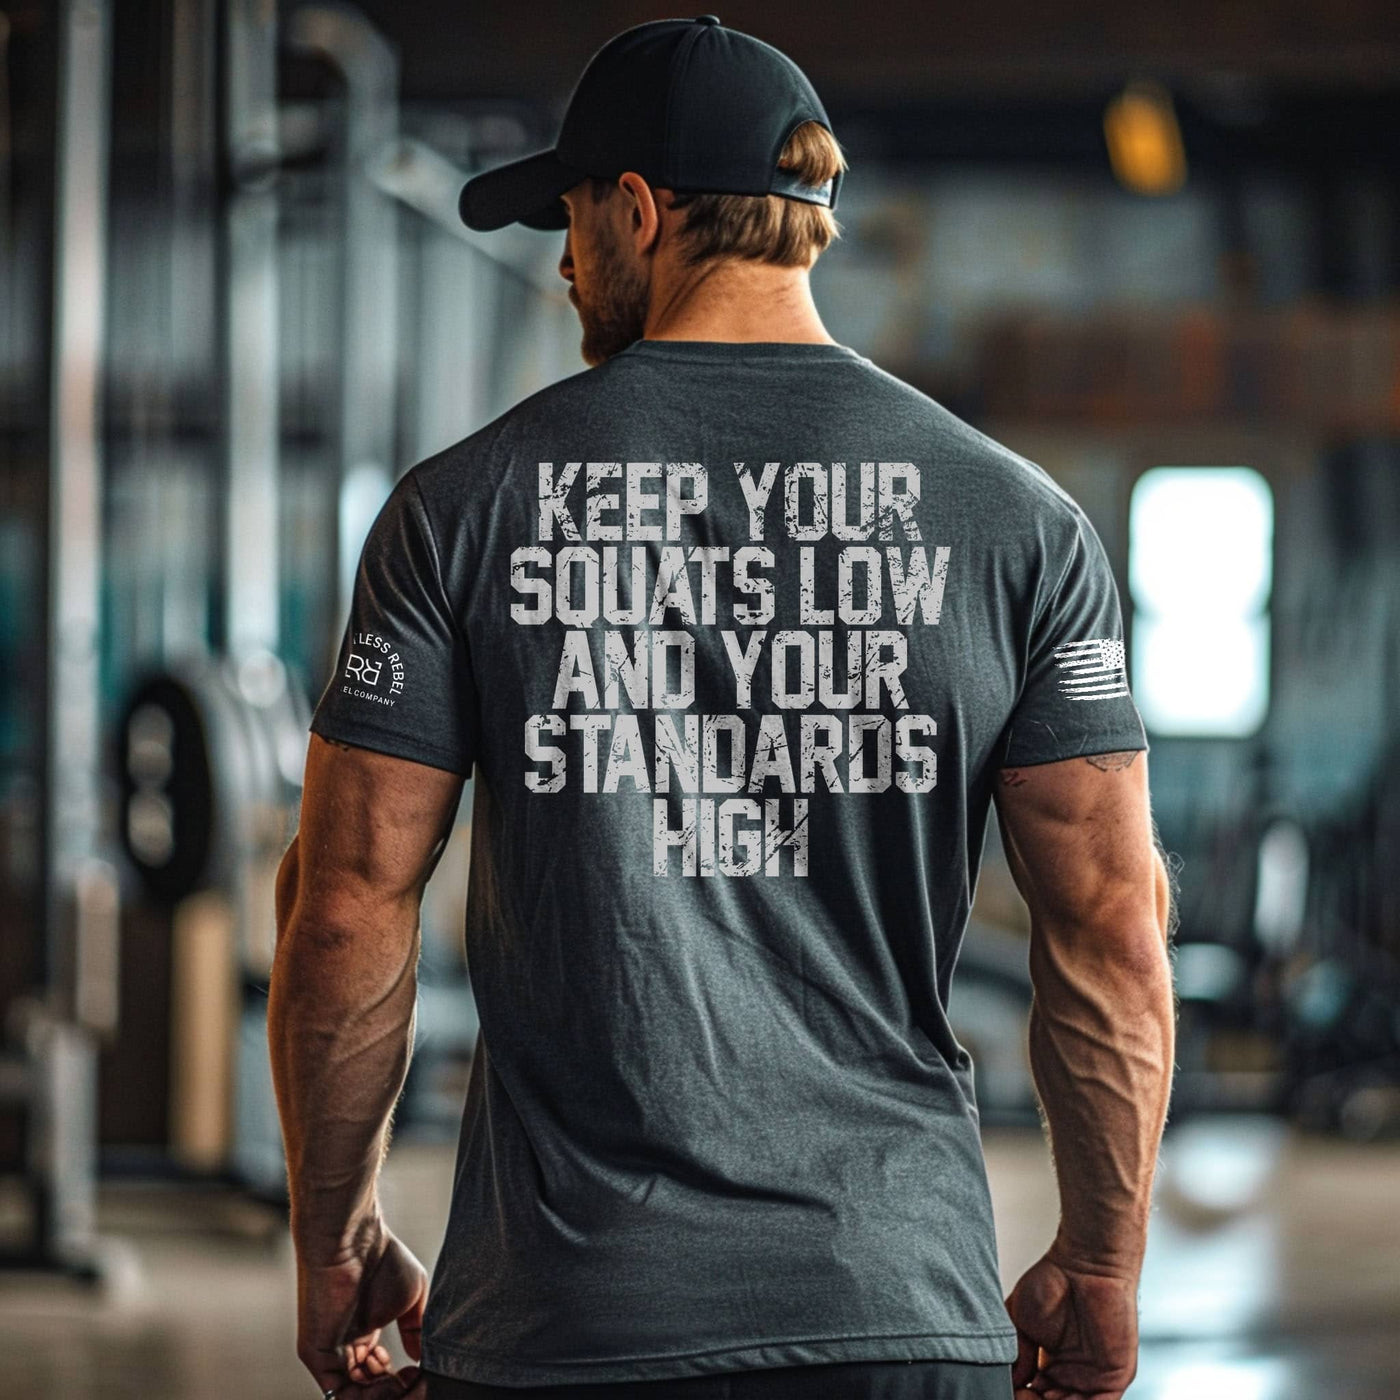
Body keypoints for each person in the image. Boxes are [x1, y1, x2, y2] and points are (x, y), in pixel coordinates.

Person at [268, 15, 1176, 1400]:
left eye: (572, 223)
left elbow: (343, 908)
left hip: (569, 1328)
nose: (567, 266)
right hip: (892, 1311)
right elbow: (1113, 925)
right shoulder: (1022, 527)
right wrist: (1104, 1264)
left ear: (638, 210)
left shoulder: (460, 510)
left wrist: (334, 1239)